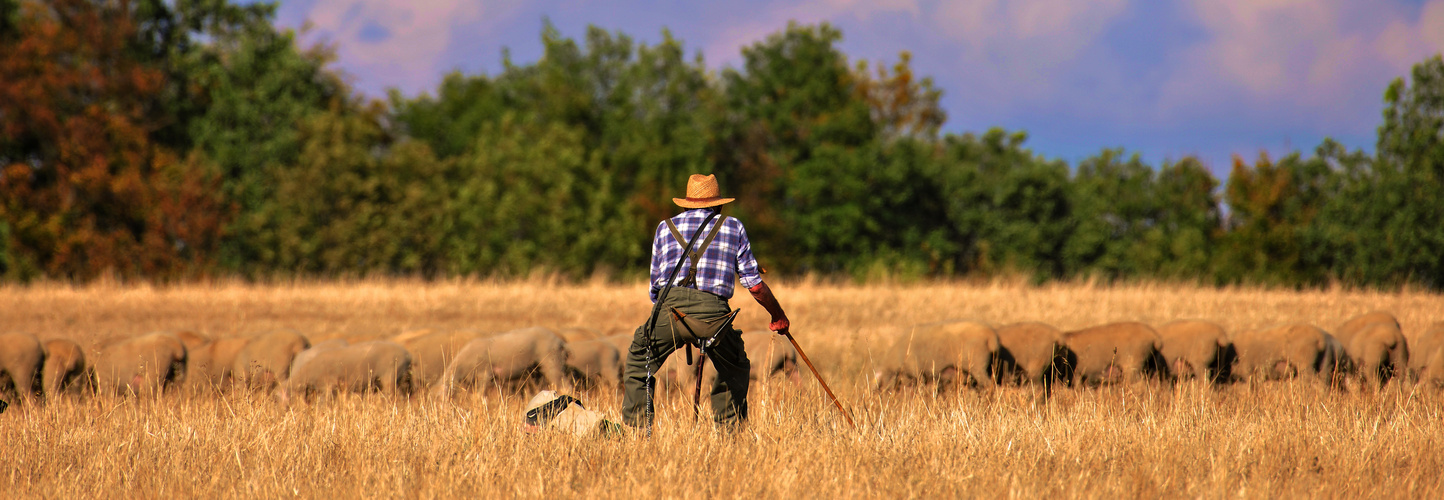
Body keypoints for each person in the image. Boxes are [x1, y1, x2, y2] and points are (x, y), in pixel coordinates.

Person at [621, 174, 791, 430]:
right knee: (733, 367)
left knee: (637, 362)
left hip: (669, 310)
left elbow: (654, 290)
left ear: (686, 204)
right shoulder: (734, 227)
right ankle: (729, 433)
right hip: (715, 316)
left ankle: (637, 432)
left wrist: (673, 319)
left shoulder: (664, 227)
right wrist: (777, 315)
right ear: (719, 204)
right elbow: (754, 286)